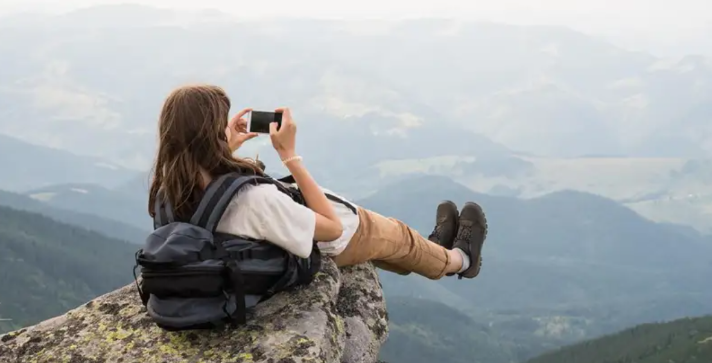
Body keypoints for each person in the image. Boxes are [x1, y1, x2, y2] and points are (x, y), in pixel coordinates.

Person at [148, 84, 487, 282]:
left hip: (263, 239)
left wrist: (226, 149)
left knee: (403, 249)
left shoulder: (169, 189)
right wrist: (289, 156)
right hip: (332, 240)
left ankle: (434, 250)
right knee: (400, 239)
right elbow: (332, 229)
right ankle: (460, 260)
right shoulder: (254, 201)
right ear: (210, 135)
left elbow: (213, 201)